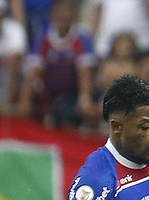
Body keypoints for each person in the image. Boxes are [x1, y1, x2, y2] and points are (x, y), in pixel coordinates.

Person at [17, 0, 99, 129]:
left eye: (66, 13)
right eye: (59, 13)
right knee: (27, 93)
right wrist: (24, 103)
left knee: (89, 109)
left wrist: (84, 100)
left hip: (72, 96)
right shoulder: (42, 38)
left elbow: (85, 72)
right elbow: (33, 72)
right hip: (47, 95)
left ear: (74, 16)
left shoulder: (82, 38)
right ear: (52, 16)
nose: (63, 17)